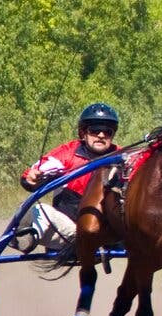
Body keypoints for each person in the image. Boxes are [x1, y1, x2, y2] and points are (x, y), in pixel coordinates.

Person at [13, 103, 121, 252]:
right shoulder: (67, 154)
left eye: (107, 132)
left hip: (106, 233)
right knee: (40, 209)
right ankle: (26, 237)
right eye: (95, 130)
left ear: (112, 135)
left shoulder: (123, 157)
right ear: (83, 133)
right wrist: (31, 177)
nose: (101, 135)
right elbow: (34, 174)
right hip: (68, 229)